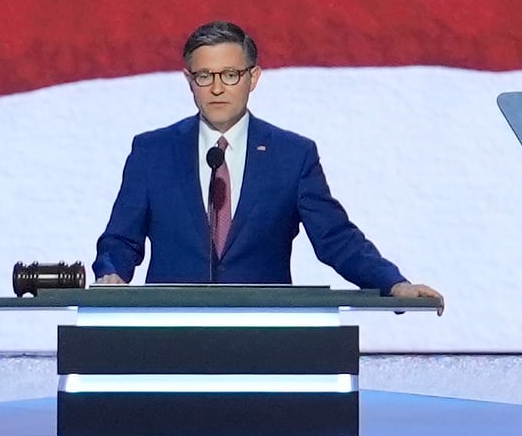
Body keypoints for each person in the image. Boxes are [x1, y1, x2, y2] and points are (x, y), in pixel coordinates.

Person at [93, 21, 441, 307]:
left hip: (264, 334)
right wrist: (112, 274)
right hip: (168, 332)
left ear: (253, 78)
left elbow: (336, 239)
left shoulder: (292, 155)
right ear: (189, 81)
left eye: (230, 74)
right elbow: (121, 239)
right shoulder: (153, 151)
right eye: (204, 76)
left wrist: (393, 284)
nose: (217, 88)